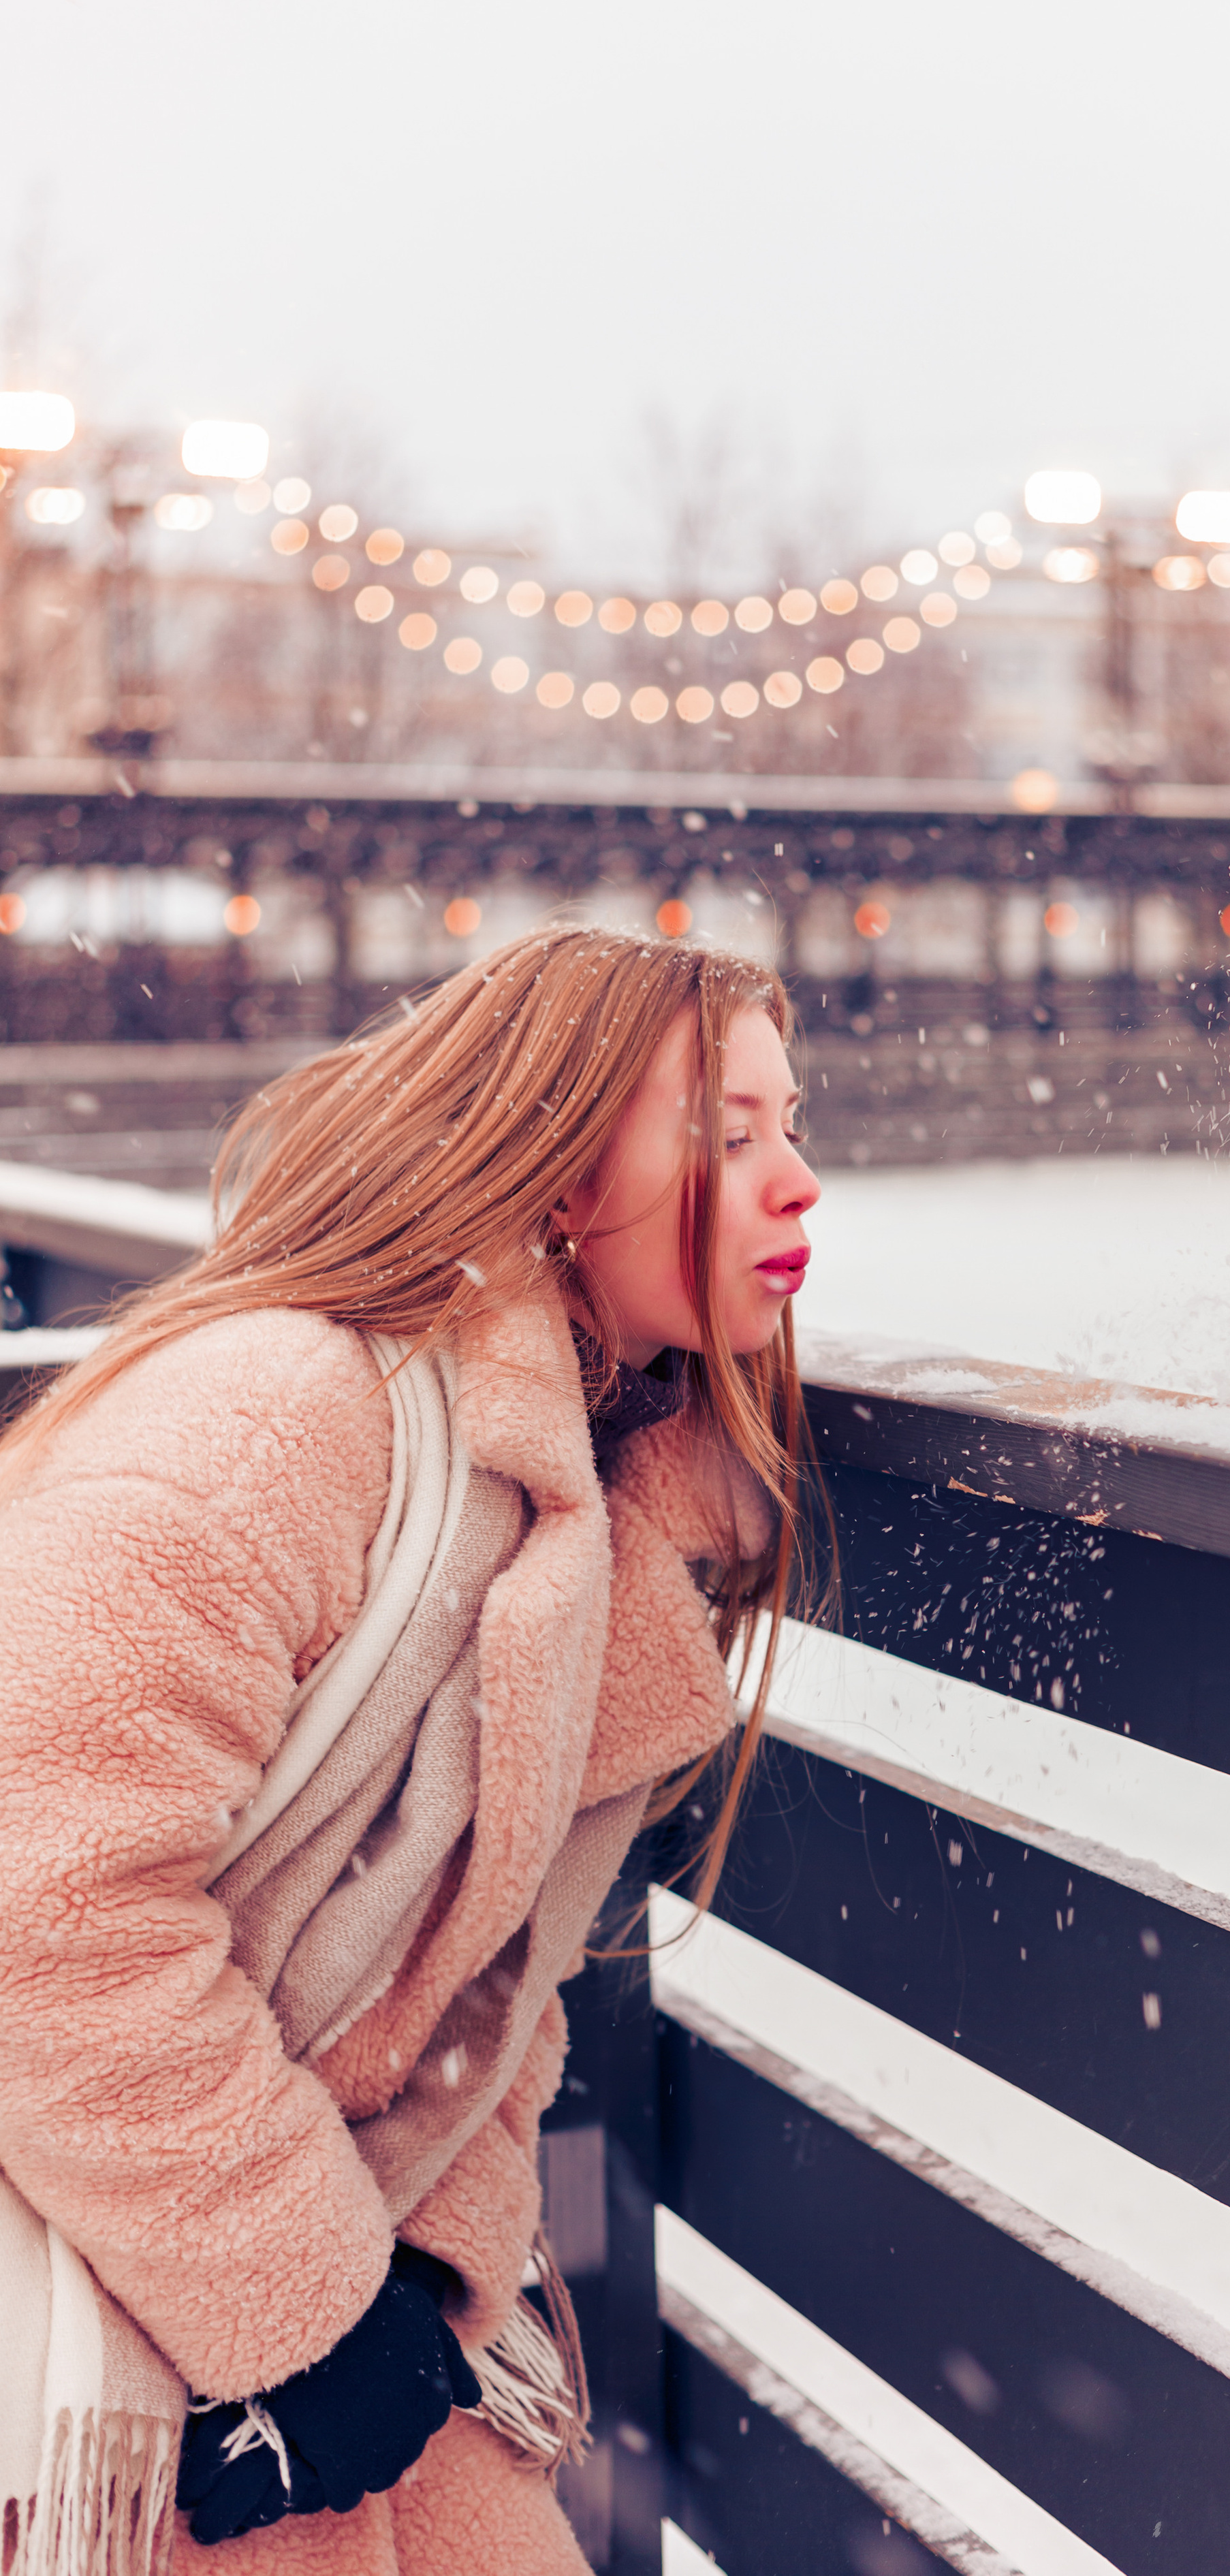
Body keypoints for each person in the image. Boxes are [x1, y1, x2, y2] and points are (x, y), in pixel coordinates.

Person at [0, 923, 821, 2575]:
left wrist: (421, 2297)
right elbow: (38, 1899)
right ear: (550, 1165)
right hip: (125, 2300)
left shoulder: (598, 1507)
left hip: (330, 2319)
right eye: (725, 1136)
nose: (796, 1182)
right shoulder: (271, 1422)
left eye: (796, 1129)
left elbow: (488, 1987)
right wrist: (304, 2316)